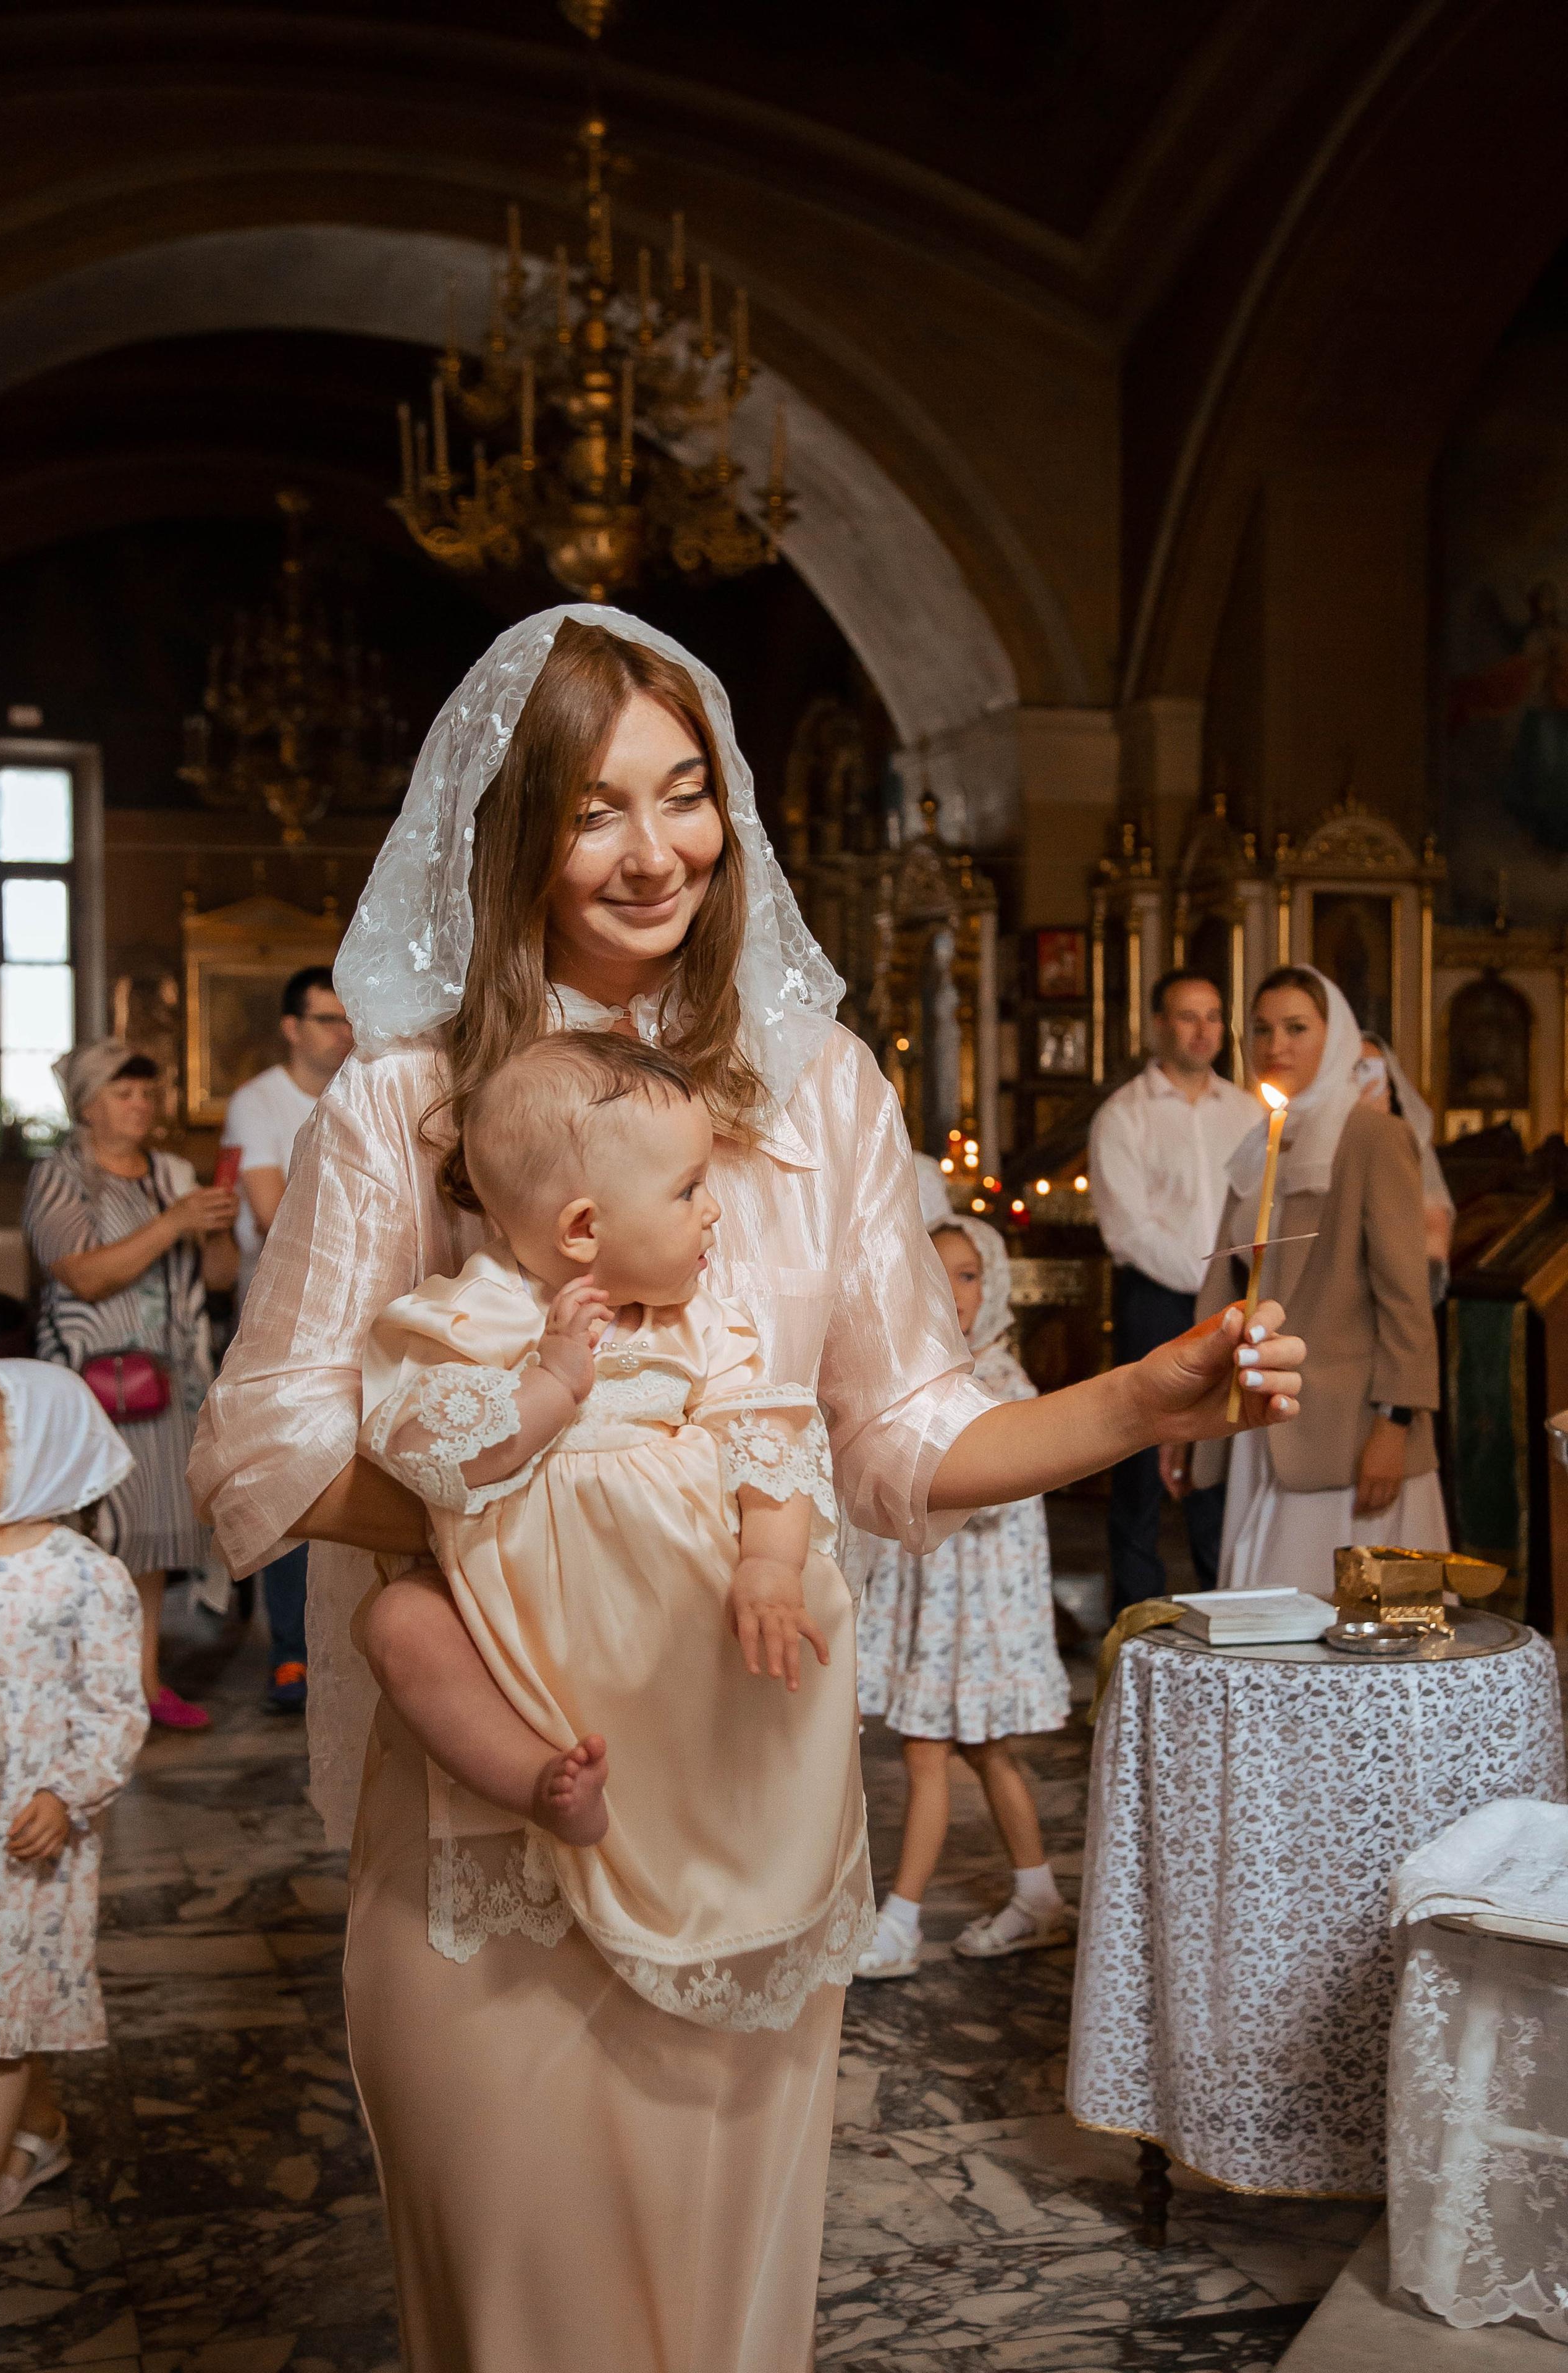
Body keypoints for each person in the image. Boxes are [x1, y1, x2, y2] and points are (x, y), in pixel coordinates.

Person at [188, 607, 1304, 2373]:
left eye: (688, 796)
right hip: (505, 1835)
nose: (657, 853)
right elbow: (257, 1450)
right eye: (596, 811)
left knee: (717, 2329)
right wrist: (558, 1512)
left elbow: (906, 1440)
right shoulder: (415, 1102)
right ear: (517, 838)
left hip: (754, 1799)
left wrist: (1144, 1393)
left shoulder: (829, 1097)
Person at [358, 1030, 865, 1992]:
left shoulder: (699, 1323)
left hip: (680, 1615)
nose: (715, 1212)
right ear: (583, 1229)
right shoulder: (481, 1317)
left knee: (788, 1618)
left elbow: (772, 1434)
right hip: (526, 1621)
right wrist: (552, 1382)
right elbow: (433, 1452)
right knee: (397, 1623)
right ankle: (536, 1783)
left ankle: (726, 1830)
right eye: (688, 1191)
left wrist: (770, 1562)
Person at [855, 1211, 1071, 1979]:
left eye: (969, 1274)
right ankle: (1039, 1896)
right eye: (938, 1272)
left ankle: (901, 1922)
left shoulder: (1001, 1381)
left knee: (926, 1752)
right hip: (938, 1602)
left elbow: (996, 1490)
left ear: (995, 1286)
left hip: (976, 1608)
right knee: (985, 1753)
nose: (954, 1289)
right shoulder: (928, 1374)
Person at [1186, 963, 1444, 1596]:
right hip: (1259, 1422)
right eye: (1262, 1029)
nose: (1276, 1046)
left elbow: (1406, 1301)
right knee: (1261, 1614)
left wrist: (1395, 1425)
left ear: (1332, 1038)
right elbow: (1226, 1284)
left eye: (1296, 1028)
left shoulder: (1374, 1138)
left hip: (1350, 1431)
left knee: (1356, 1625)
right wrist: (1189, 1410)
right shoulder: (1261, 1144)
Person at [24, 1044, 238, 1730]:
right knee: (93, 1536)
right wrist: (173, 1223)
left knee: (148, 1540)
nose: (141, 1104)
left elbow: (219, 1281)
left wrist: (216, 1232)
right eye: (124, 1094)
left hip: (167, 1382)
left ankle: (143, 1684)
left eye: (148, 1092)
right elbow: (81, 1275)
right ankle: (85, 1690)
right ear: (86, 1106)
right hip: (91, 1388)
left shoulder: (170, 1174)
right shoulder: (60, 1177)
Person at [0, 1360, 148, 2226]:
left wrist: (68, 1792)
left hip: (25, 1835)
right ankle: (41, 2127)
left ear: (45, 1454)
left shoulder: (83, 1575)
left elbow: (115, 1706)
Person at [1088, 970, 1258, 1608]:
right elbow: (1129, 1228)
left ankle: (1228, 1608)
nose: (1203, 1030)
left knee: (1220, 1456)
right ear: (1159, 1025)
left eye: (1213, 1016)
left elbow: (1256, 1211)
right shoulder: (1123, 1115)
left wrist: (1231, 1287)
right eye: (1188, 1016)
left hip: (1234, 1301)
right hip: (1155, 1299)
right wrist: (1208, 1279)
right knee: (1139, 1464)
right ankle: (1135, 1617)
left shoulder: (1247, 1112)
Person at [220, 966, 355, 1713]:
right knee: (289, 1479)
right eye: (328, 1019)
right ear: (291, 1026)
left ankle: (345, 1643)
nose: (344, 1033)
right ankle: (290, 1654)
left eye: (348, 1019)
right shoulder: (258, 1101)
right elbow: (273, 1214)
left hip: (358, 1318)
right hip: (283, 1326)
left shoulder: (363, 1092)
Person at [1355, 1032, 1456, 1300]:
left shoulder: (1408, 1140)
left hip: (1399, 1289)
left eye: (1370, 1068)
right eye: (1353, 1069)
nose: (1362, 1078)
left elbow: (1435, 1234)